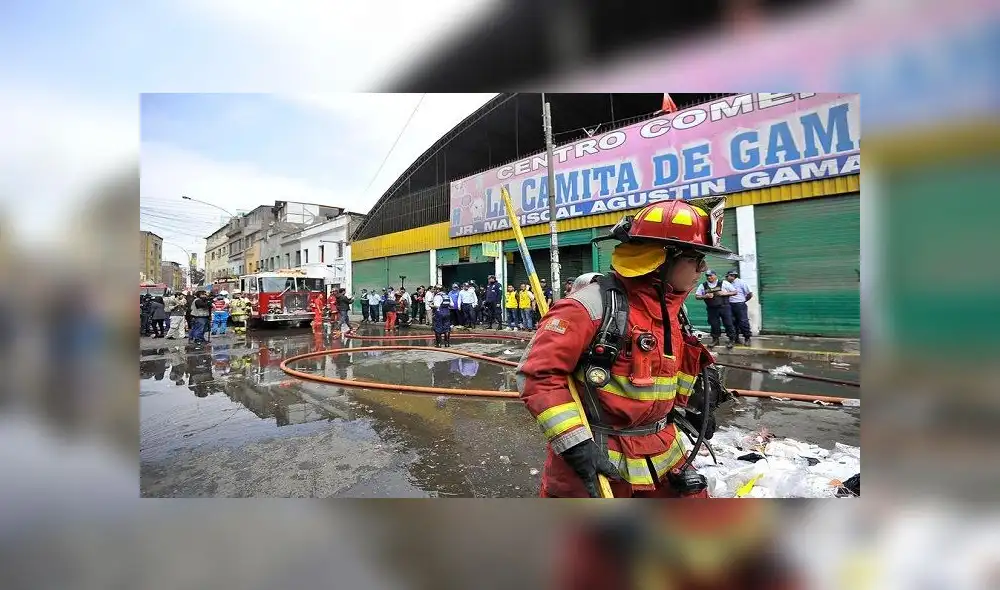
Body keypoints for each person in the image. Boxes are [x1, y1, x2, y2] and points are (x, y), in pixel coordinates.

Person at [516, 199, 730, 498]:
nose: (704, 268)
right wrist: (576, 444)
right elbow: (538, 376)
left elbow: (670, 370)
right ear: (663, 257)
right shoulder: (587, 307)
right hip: (600, 458)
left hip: (665, 448)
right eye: (697, 258)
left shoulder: (672, 310)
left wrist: (692, 407)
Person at [695, 269, 737, 349]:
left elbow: (735, 292)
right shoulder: (703, 285)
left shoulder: (724, 283)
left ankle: (732, 339)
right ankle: (715, 339)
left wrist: (725, 293)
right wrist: (705, 296)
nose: (709, 277)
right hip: (712, 309)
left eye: (711, 275)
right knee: (714, 324)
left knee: (728, 323)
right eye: (707, 276)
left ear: (715, 275)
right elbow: (697, 296)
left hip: (724, 307)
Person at [726, 269, 754, 345]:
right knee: (732, 322)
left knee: (743, 321)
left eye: (727, 276)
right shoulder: (727, 284)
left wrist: (743, 301)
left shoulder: (742, 283)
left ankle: (747, 338)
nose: (726, 278)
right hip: (730, 305)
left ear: (733, 276)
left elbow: (750, 294)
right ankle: (735, 338)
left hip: (740, 305)